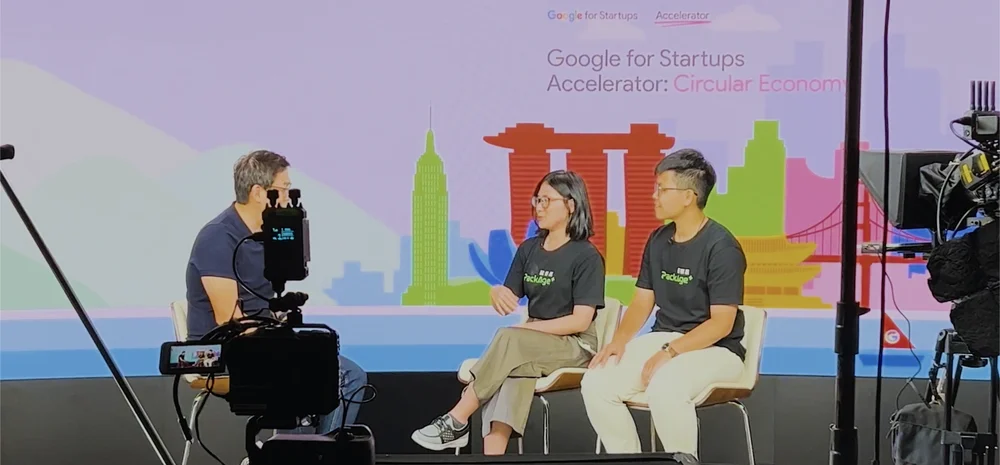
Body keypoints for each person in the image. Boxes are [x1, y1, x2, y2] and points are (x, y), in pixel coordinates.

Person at [411, 170, 607, 455]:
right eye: (536, 200)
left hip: (574, 344)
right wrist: (495, 292)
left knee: (511, 341)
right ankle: (494, 457)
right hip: (532, 343)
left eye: (546, 200)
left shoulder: (586, 256)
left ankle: (457, 418)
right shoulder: (529, 249)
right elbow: (509, 297)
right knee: (512, 372)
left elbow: (580, 320)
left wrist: (526, 330)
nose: (538, 207)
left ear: (571, 205)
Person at [184, 149, 368, 436]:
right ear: (259, 193)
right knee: (331, 375)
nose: (287, 196)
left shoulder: (271, 233)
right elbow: (228, 320)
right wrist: (282, 347)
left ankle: (311, 452)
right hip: (226, 352)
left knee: (345, 371)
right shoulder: (218, 238)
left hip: (260, 342)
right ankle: (301, 453)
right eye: (284, 189)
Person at [580, 149, 747, 457]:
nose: (653, 195)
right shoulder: (658, 239)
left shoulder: (722, 247)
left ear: (689, 196)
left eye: (662, 188)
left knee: (666, 386)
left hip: (717, 349)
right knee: (596, 382)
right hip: (665, 339)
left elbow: (722, 323)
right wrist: (618, 342)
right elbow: (642, 301)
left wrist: (671, 353)